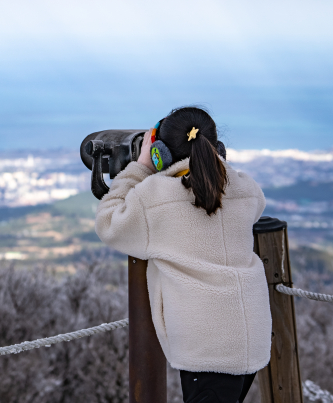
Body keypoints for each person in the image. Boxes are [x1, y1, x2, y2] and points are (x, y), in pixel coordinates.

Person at [95, 106, 271, 403]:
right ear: (217, 149)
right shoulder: (245, 188)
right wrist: (214, 167)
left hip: (209, 348)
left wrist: (139, 168)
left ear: (158, 153)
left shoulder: (155, 197)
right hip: (250, 338)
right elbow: (246, 203)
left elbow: (108, 223)